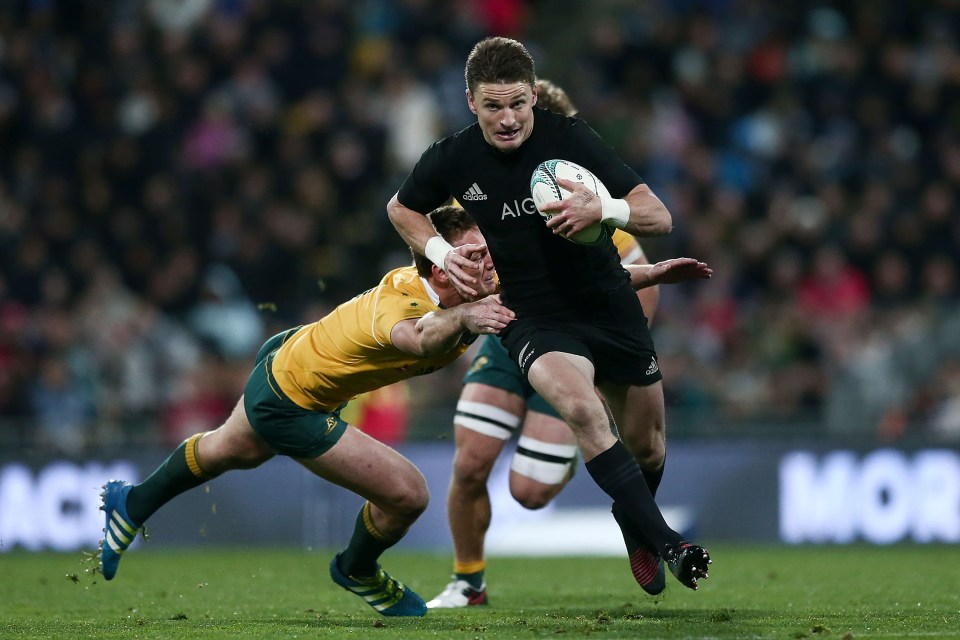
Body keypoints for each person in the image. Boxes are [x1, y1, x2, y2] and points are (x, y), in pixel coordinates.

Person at [386, 37, 713, 596]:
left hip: (608, 307)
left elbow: (658, 215)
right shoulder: (455, 158)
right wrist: (441, 254)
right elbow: (401, 207)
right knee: (582, 412)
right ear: (471, 102)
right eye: (493, 106)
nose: (508, 119)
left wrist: (603, 208)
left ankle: (634, 525)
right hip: (532, 318)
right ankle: (669, 543)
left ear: (534, 96)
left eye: (518, 103)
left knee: (649, 448)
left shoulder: (572, 144)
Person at [97, 206, 515, 618]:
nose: (490, 261)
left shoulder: (468, 288)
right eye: (477, 256)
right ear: (441, 270)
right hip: (289, 401)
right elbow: (421, 339)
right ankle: (357, 569)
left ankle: (132, 502)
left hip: (291, 357)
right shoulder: (401, 306)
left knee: (230, 451)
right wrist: (465, 315)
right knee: (409, 494)